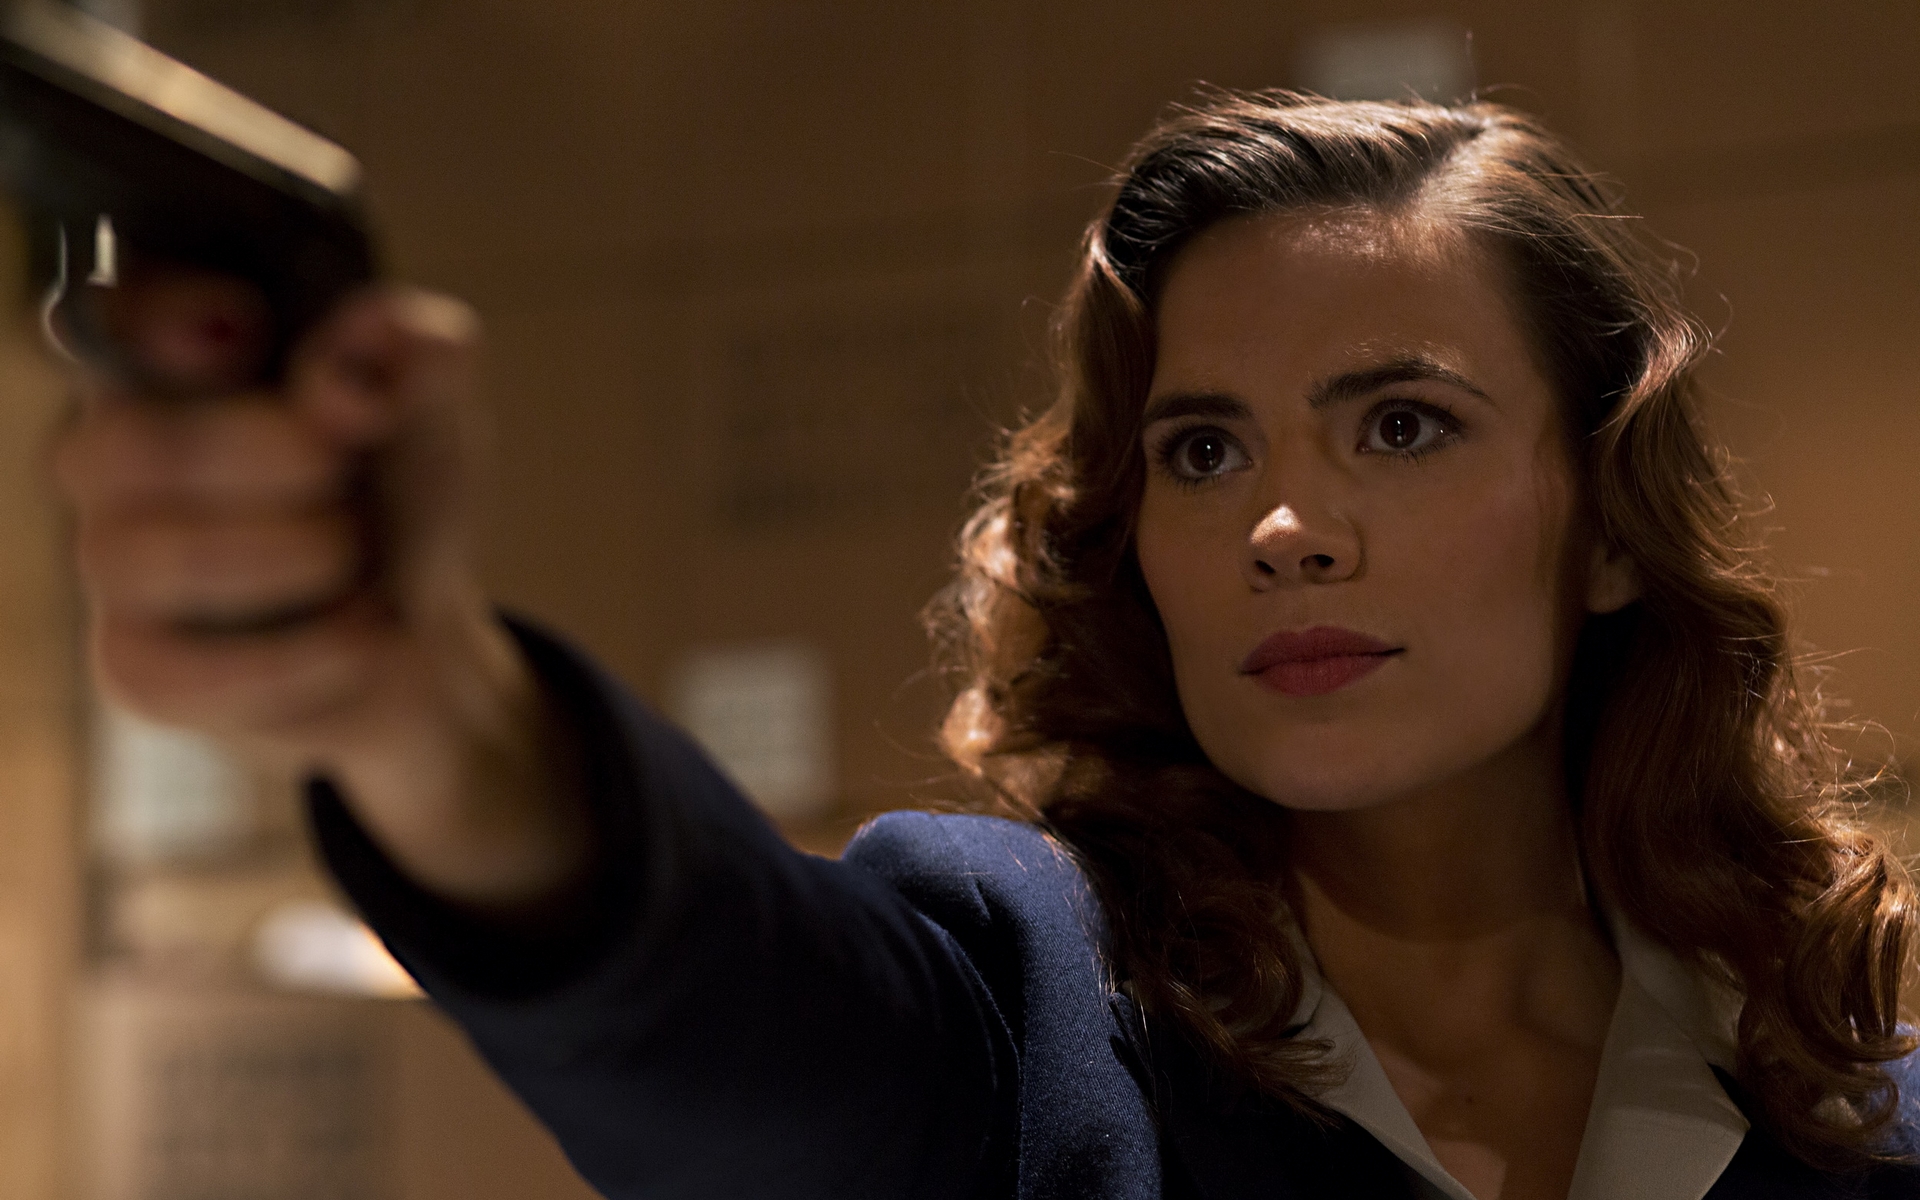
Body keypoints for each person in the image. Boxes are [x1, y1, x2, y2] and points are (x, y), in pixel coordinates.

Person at [49, 90, 1920, 1200]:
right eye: (1205, 451)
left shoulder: (1847, 1088)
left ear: (1610, 529)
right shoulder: (1028, 998)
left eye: (1403, 424)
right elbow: (717, 1009)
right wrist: (416, 692)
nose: (1286, 525)